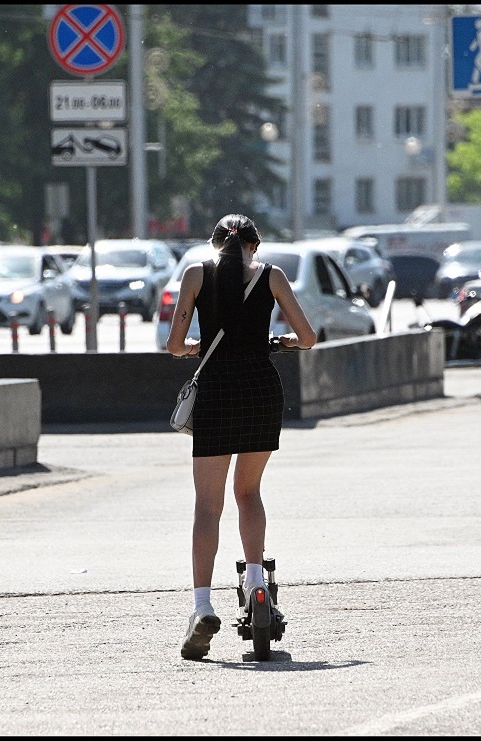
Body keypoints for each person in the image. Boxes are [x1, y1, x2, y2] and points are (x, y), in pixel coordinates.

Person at [166, 214, 316, 660]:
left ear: (215, 245)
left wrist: (197, 347)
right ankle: (255, 584)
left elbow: (175, 346)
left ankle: (202, 608)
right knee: (248, 493)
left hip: (215, 391)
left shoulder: (195, 274)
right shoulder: (273, 276)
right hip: (260, 391)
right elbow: (307, 337)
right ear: (256, 244)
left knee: (207, 506)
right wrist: (281, 341)